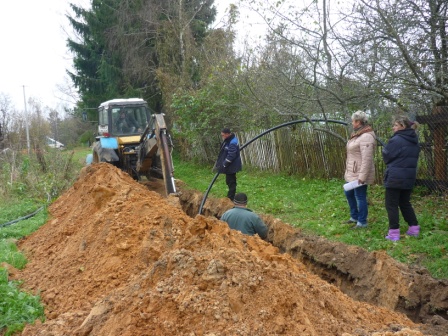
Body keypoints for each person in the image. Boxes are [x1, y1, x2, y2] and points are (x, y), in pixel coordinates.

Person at [382, 115, 420, 241]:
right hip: (409, 177)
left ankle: (393, 233)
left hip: (395, 177)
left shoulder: (397, 139)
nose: (393, 127)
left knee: (391, 204)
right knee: (405, 202)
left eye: (395, 125)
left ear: (402, 126)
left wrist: (385, 150)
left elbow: (387, 157)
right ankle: (414, 228)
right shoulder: (414, 140)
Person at [344, 110, 376, 229]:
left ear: (359, 121)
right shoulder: (357, 134)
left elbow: (367, 159)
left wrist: (362, 177)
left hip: (359, 173)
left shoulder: (366, 136)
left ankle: (362, 221)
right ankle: (354, 216)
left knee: (360, 196)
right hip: (353, 171)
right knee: (348, 193)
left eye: (353, 121)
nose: (352, 123)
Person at [215, 127, 242, 200]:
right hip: (229, 166)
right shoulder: (228, 140)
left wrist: (225, 164)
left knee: (231, 182)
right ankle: (230, 197)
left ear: (227, 134)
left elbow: (231, 155)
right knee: (229, 181)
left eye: (223, 135)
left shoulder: (232, 142)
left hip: (231, 166)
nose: (222, 136)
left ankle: (230, 198)